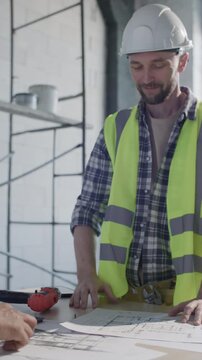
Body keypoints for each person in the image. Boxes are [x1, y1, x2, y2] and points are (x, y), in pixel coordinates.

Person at [69, 3, 202, 325]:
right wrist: (86, 273)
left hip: (187, 303)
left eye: (158, 65)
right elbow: (87, 209)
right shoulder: (116, 128)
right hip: (120, 298)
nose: (146, 78)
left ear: (181, 60)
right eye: (136, 66)